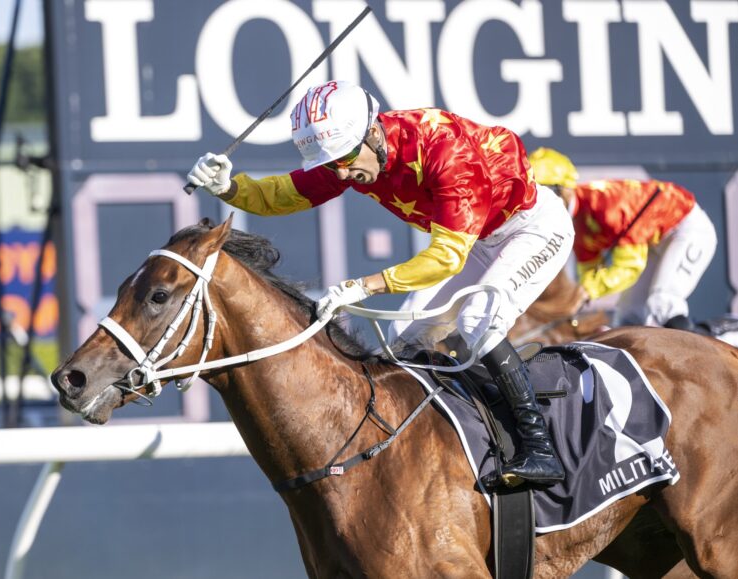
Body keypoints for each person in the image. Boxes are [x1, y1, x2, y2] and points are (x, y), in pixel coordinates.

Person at [187, 80, 573, 488]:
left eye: (345, 159)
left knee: (478, 319)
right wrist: (229, 187)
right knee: (404, 333)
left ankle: (540, 448)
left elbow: (446, 257)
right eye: (331, 164)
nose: (342, 172)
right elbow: (285, 193)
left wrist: (365, 285)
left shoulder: (445, 151)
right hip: (479, 239)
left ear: (373, 131)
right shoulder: (353, 152)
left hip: (532, 229)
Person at [528, 147, 717, 331]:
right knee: (628, 317)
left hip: (687, 228)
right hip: (652, 242)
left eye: (547, 192)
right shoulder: (574, 222)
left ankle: (713, 344)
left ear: (566, 188)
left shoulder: (606, 207)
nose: (540, 204)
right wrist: (583, 292)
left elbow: (630, 267)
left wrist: (588, 291)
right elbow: (590, 269)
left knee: (663, 303)